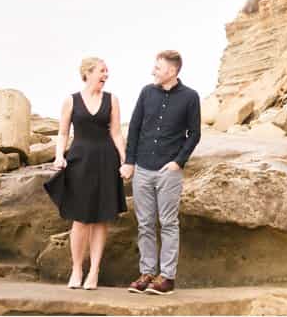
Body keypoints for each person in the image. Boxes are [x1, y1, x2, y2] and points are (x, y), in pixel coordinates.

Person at [121, 50, 201, 296]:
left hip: (169, 171)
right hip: (143, 168)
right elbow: (134, 128)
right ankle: (146, 274)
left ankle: (166, 278)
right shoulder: (147, 92)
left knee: (168, 223)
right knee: (145, 224)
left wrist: (178, 162)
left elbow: (194, 134)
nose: (153, 71)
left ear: (172, 71)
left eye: (157, 67)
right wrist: (130, 162)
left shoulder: (190, 97)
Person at [44, 57, 128, 290]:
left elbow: (117, 133)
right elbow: (62, 133)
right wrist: (59, 156)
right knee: (80, 219)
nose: (106, 74)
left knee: (101, 219)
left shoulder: (113, 99)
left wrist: (125, 159)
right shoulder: (71, 100)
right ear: (88, 73)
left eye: (107, 71)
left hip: (106, 161)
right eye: (102, 71)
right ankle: (77, 269)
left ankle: (94, 271)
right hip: (79, 160)